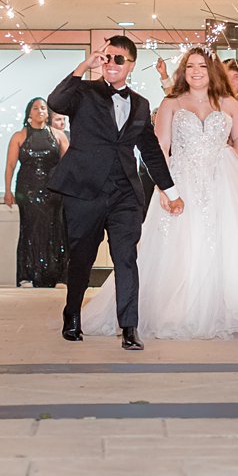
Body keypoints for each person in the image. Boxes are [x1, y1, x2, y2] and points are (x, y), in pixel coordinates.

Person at [81, 49, 238, 338]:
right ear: (183, 71)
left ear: (211, 70)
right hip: (182, 180)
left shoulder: (227, 102)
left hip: (223, 180)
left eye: (202, 65)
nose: (196, 71)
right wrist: (166, 187)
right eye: (190, 66)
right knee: (181, 245)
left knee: (229, 244)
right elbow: (161, 148)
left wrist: (224, 157)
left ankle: (229, 309)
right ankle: (177, 310)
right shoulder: (171, 103)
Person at [48, 36, 179, 351]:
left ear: (131, 65)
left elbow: (151, 151)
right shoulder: (83, 93)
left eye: (118, 59)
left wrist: (170, 189)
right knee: (81, 257)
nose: (110, 64)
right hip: (83, 190)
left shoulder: (141, 104)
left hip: (124, 193)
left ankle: (130, 328)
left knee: (126, 258)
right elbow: (56, 102)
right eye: (106, 58)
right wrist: (84, 66)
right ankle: (72, 314)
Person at [4, 97, 69, 288]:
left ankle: (56, 276)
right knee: (30, 229)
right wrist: (7, 190)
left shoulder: (59, 135)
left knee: (54, 228)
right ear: (28, 113)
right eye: (36, 108)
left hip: (53, 190)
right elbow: (10, 165)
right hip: (27, 189)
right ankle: (28, 275)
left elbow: (68, 164)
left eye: (43, 108)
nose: (40, 111)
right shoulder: (19, 136)